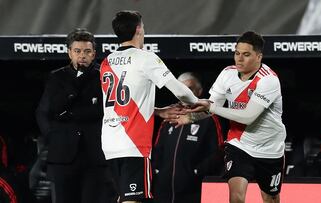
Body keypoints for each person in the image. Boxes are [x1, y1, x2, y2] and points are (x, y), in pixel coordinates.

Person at [170, 31, 286, 203]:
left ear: (259, 56)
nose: (239, 59)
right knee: (236, 197)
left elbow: (248, 117)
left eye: (246, 55)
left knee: (271, 198)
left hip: (270, 148)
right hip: (239, 144)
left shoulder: (268, 80)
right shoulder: (227, 74)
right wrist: (192, 118)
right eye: (237, 53)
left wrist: (212, 107)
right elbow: (210, 105)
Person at [100, 10, 199, 203]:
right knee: (133, 200)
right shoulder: (145, 58)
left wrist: (158, 111)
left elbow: (122, 103)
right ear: (138, 29)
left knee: (123, 198)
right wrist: (198, 104)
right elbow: (180, 91)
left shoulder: (106, 62)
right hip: (133, 144)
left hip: (110, 143)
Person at [36, 28, 114, 203]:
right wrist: (52, 136)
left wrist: (68, 114)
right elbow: (43, 112)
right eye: (77, 51)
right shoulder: (56, 77)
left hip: (95, 156)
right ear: (69, 53)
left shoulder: (104, 76)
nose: (82, 56)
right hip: (62, 156)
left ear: (94, 54)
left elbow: (105, 111)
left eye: (87, 51)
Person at [151, 72, 225, 203]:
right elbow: (157, 149)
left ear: (199, 91)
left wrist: (197, 171)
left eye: (189, 88)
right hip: (163, 188)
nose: (184, 92)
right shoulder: (169, 115)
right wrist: (158, 171)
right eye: (181, 88)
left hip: (193, 188)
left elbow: (218, 151)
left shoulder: (209, 118)